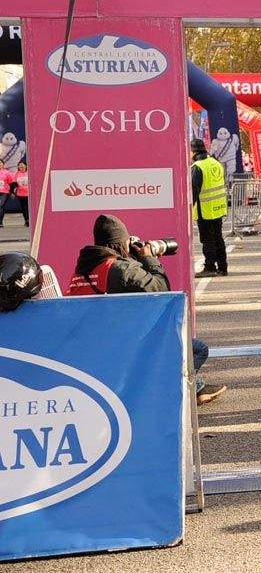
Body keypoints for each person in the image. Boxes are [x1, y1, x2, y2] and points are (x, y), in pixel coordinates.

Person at [68, 214, 226, 404]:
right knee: (198, 349)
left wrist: (132, 259)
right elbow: (161, 288)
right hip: (123, 348)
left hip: (91, 346)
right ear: (120, 243)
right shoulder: (118, 269)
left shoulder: (83, 269)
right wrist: (149, 259)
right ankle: (173, 394)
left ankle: (197, 388)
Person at [191, 138, 228, 278]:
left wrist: (189, 208)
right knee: (218, 238)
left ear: (193, 151)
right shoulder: (216, 163)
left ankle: (210, 266)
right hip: (218, 207)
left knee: (207, 240)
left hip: (204, 209)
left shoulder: (197, 167)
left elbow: (194, 190)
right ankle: (223, 267)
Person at [10, 162, 28, 227]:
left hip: (29, 194)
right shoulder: (17, 174)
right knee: (24, 208)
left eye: (22, 165)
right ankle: (26, 220)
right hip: (21, 194)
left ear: (26, 166)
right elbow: (14, 184)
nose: (21, 166)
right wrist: (12, 192)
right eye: (19, 165)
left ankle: (31, 220)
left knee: (29, 208)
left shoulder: (29, 173)